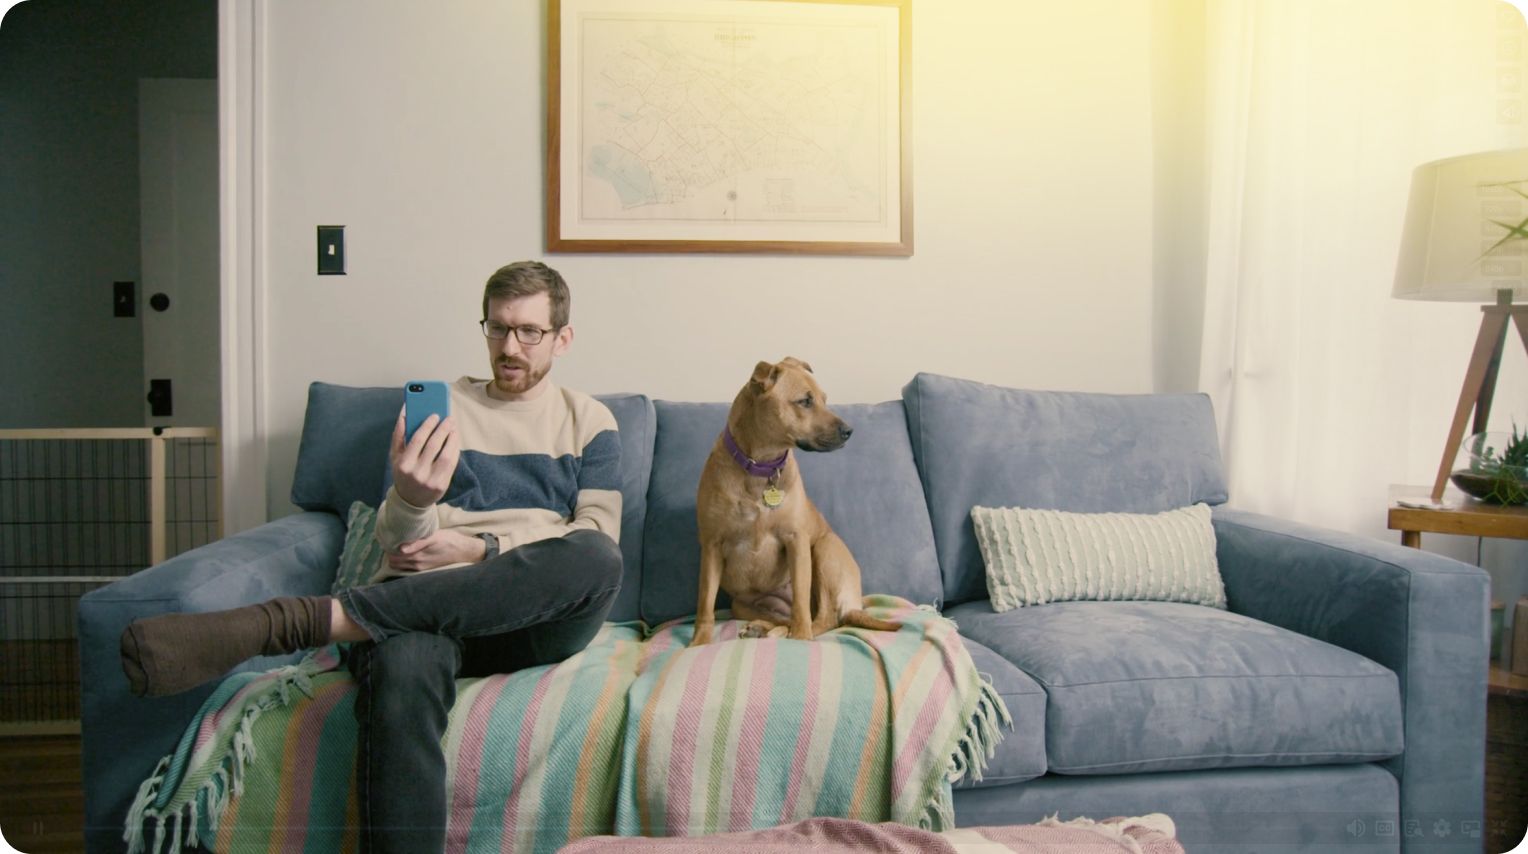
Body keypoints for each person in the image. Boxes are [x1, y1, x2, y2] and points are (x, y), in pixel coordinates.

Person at [118, 260, 625, 853]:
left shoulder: (588, 421)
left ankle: (301, 621)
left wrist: (481, 547)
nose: (509, 347)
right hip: (418, 609)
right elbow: (399, 544)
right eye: (497, 328)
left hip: (535, 618)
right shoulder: (445, 408)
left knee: (596, 559)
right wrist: (412, 497)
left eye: (529, 332)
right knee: (405, 662)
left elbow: (596, 534)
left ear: (562, 338)